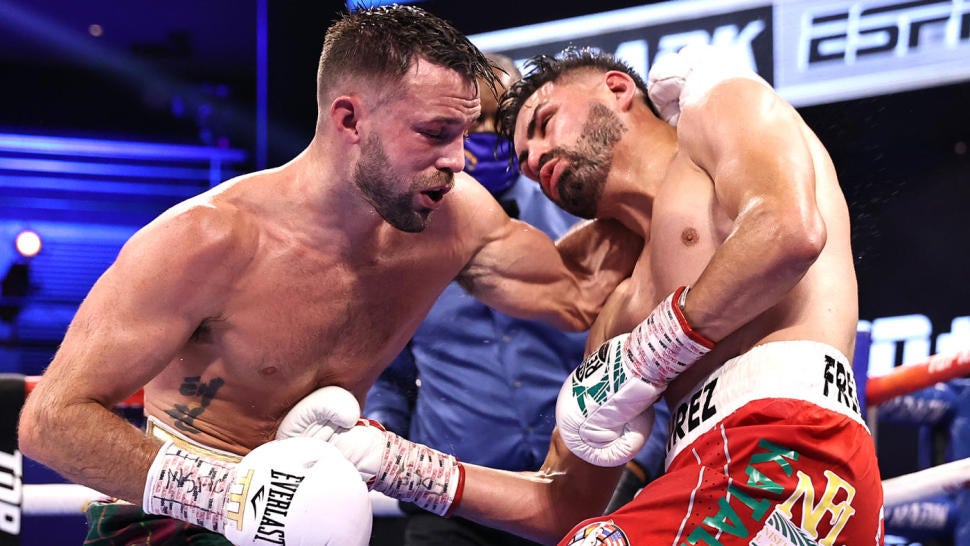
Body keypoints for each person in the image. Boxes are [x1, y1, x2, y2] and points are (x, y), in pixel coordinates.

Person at [16, 7, 641, 544]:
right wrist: (234, 501)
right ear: (349, 121)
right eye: (435, 133)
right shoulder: (207, 240)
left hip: (324, 523)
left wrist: (666, 154)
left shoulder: (456, 219)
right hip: (173, 521)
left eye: (463, 133)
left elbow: (582, 293)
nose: (460, 159)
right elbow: (50, 421)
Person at [279, 45, 884, 545]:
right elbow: (560, 503)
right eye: (523, 157)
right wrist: (394, 464)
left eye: (543, 125)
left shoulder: (714, 108)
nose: (536, 156)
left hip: (795, 453)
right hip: (706, 474)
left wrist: (650, 353)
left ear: (618, 88)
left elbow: (788, 234)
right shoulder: (619, 308)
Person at [364, 52, 669, 546]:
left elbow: (648, 354)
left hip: (589, 485)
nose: (484, 133)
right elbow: (389, 374)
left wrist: (635, 467)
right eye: (467, 123)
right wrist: (379, 439)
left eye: (495, 120)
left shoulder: (587, 217)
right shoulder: (399, 239)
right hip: (452, 504)